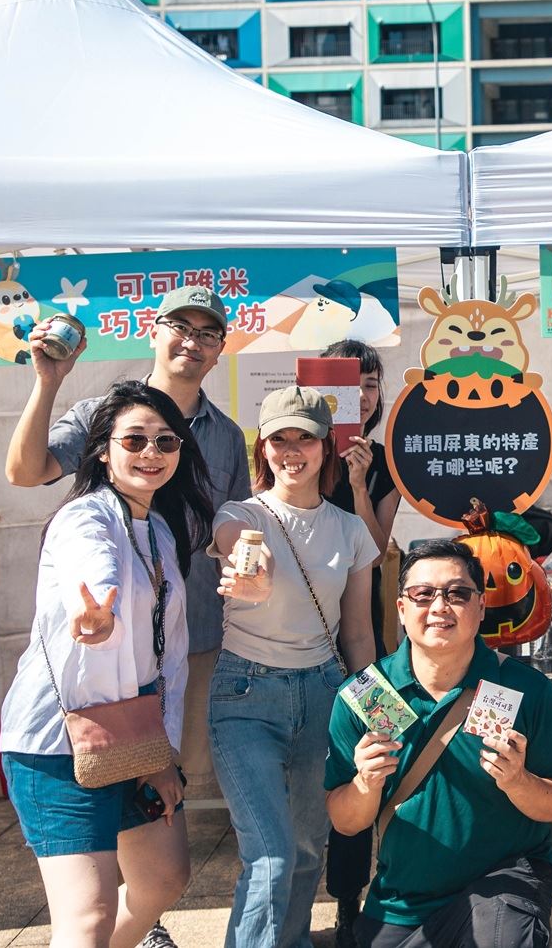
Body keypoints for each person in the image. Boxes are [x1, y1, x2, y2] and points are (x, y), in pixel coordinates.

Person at [7, 285, 250, 948]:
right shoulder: (93, 489)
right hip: (72, 720)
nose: (151, 452)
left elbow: (231, 521)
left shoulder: (176, 509)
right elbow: (35, 483)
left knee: (164, 870)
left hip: (173, 658)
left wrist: (247, 565)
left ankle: (135, 925)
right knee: (86, 909)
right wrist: (98, 614)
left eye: (208, 332)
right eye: (135, 441)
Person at [325, 540, 552, 948]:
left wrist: (517, 781)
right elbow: (345, 822)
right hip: (402, 901)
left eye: (458, 593)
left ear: (481, 607)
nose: (440, 606)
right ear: (401, 608)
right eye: (423, 594)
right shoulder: (366, 694)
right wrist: (365, 783)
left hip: (505, 882)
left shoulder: (526, 688)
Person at [207, 385, 380, 948]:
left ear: (325, 445)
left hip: (324, 691)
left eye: (302, 437)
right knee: (271, 856)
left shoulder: (351, 529)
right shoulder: (242, 514)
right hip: (245, 694)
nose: (290, 450)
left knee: (307, 850)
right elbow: (240, 547)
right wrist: (249, 571)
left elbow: (358, 632)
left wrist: (374, 710)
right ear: (262, 447)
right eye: (277, 438)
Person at [319, 340, 403, 947]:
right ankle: (323, 890)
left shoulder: (387, 461)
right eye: (347, 384)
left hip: (366, 625)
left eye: (370, 384)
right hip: (302, 623)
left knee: (366, 752)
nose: (362, 396)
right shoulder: (296, 444)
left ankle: (354, 898)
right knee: (315, 763)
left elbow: (375, 552)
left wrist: (355, 482)